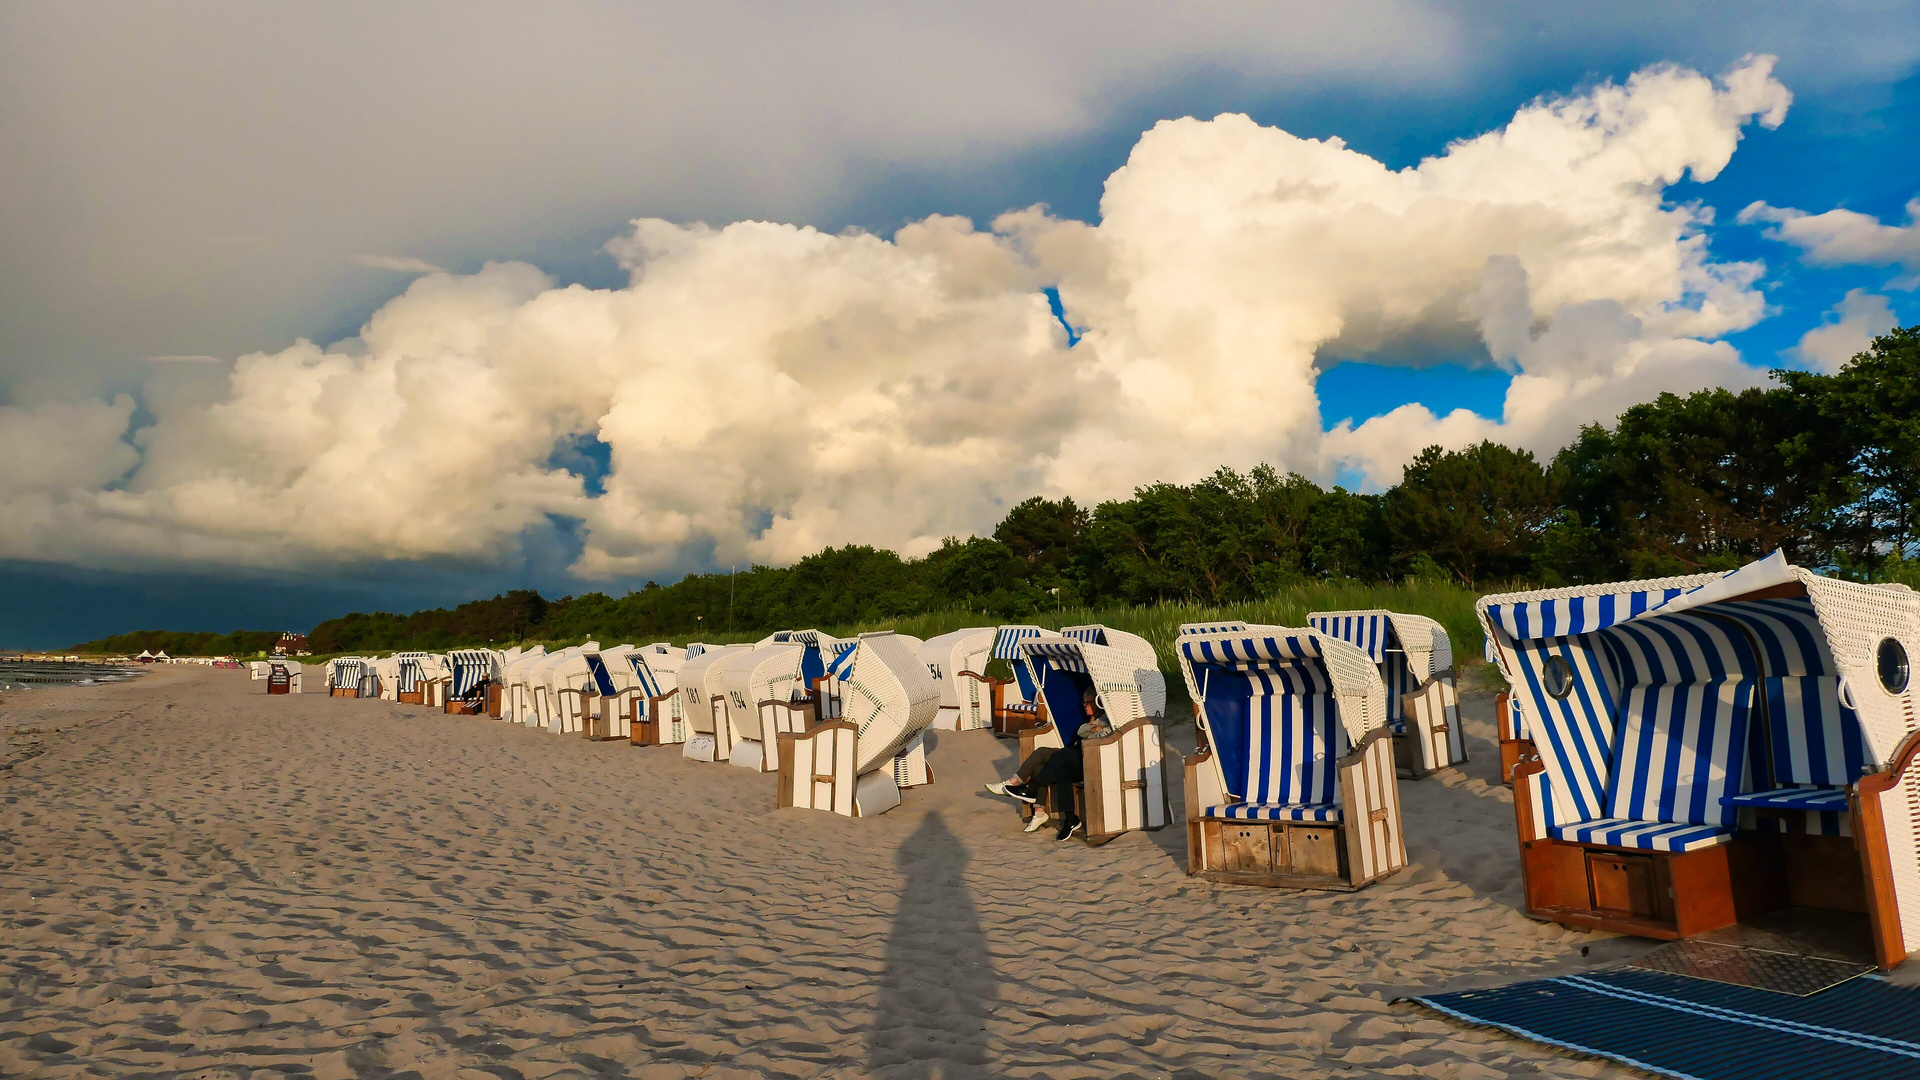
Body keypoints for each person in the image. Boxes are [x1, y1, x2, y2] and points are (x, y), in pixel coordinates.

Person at [984, 685, 1115, 840]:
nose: (1085, 706)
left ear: (1097, 703)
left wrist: (1091, 731)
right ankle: (1060, 817)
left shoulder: (1107, 719)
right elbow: (1082, 731)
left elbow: (1095, 739)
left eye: (1088, 703)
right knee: (1049, 765)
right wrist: (1092, 728)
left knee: (1057, 753)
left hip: (1090, 762)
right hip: (1075, 759)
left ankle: (1028, 788)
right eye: (1083, 703)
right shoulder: (1091, 722)